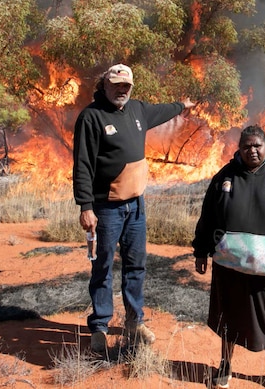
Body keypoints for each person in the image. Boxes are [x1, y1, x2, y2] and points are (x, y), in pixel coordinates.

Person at [73, 63, 194, 357]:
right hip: (106, 208)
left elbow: (162, 110)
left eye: (126, 86)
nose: (121, 91)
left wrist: (182, 105)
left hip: (136, 207)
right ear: (105, 85)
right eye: (116, 86)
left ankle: (133, 322)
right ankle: (99, 327)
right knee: (102, 267)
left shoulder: (138, 109)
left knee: (136, 265)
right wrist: (85, 207)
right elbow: (83, 165)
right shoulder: (91, 117)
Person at [192, 125, 265, 389]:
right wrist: (200, 250)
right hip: (228, 263)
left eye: (257, 145)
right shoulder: (225, 176)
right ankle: (225, 366)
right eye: (246, 146)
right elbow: (207, 216)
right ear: (239, 148)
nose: (252, 151)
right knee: (227, 316)